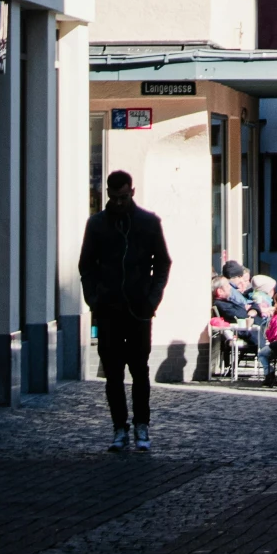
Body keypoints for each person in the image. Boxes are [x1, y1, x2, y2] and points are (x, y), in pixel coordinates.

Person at [79, 169, 172, 452]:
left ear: (132, 192)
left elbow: (163, 263)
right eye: (115, 197)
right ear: (107, 193)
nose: (119, 202)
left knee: (140, 371)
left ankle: (141, 425)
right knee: (113, 373)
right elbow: (87, 265)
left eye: (124, 196)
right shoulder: (96, 225)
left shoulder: (147, 222)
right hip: (108, 309)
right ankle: (119, 427)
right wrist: (94, 299)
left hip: (139, 310)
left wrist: (152, 298)